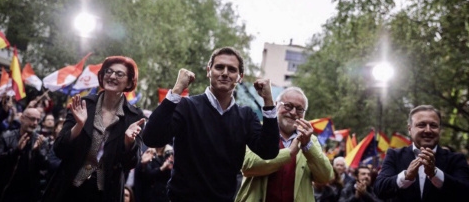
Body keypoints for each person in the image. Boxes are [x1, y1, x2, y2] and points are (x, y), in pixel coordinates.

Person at [143, 47, 280, 202]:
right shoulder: (186, 106)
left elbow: (269, 152)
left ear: (240, 77)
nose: (225, 73)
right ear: (209, 71)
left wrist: (269, 103)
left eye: (232, 69)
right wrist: (176, 91)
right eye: (219, 67)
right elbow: (151, 138)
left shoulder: (246, 116)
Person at [43, 56, 145, 202]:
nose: (112, 76)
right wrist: (78, 126)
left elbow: (131, 163)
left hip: (106, 192)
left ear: (129, 82)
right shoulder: (83, 104)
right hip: (68, 188)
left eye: (119, 74)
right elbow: (59, 150)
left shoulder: (134, 116)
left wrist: (129, 141)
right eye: (108, 72)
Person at [235, 87, 334, 202]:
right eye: (288, 106)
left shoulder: (310, 140)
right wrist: (289, 153)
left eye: (299, 109)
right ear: (276, 105)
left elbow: (325, 177)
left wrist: (308, 147)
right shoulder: (258, 129)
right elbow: (248, 166)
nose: (293, 113)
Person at [374, 105, 469, 201]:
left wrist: (435, 174)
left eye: (433, 125)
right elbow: (379, 190)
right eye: (421, 125)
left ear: (439, 129)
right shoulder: (394, 155)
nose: (428, 130)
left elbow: (465, 193)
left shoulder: (456, 159)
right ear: (410, 129)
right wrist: (406, 176)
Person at [0, 107, 49, 202]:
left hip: (28, 193)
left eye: (38, 120)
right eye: (32, 119)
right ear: (22, 118)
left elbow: (45, 167)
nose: (35, 123)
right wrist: (16, 150)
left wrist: (37, 152)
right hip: (5, 189)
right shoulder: (6, 136)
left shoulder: (41, 141)